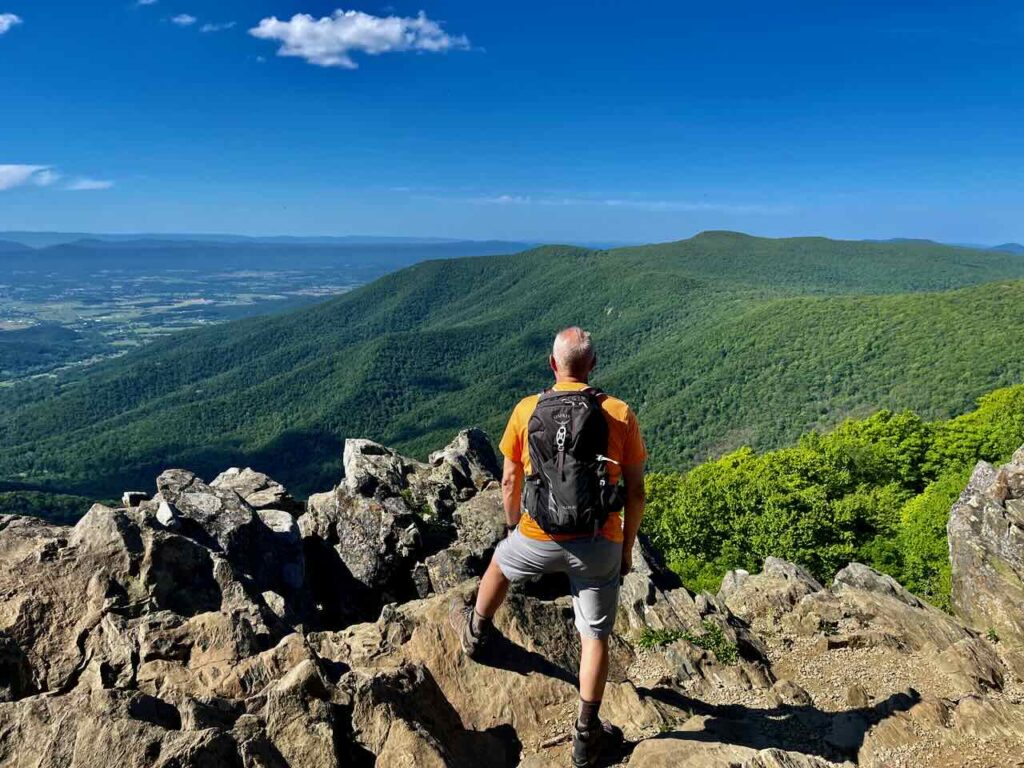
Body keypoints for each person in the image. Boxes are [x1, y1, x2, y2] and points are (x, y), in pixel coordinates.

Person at [449, 326, 647, 767]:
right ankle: (585, 735)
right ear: (593, 365)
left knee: (500, 565)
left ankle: (475, 633)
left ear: (552, 364)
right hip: (598, 541)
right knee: (594, 636)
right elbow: (635, 493)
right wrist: (626, 550)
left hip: (538, 535)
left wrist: (512, 528)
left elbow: (508, 480)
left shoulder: (527, 409)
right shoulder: (618, 413)